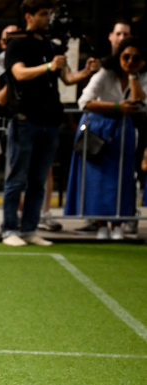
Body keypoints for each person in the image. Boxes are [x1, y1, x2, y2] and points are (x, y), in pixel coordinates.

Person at [2, 0, 99, 247]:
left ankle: (29, 229)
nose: (47, 18)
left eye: (49, 14)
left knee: (38, 180)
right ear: (29, 16)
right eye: (43, 14)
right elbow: (19, 73)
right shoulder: (17, 44)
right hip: (24, 120)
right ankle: (9, 229)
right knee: (17, 178)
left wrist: (86, 73)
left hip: (49, 122)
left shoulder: (50, 44)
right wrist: (47, 66)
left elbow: (66, 78)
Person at [65, 39, 144, 240]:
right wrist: (117, 107)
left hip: (123, 130)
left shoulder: (142, 77)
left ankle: (118, 223)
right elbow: (85, 101)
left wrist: (133, 76)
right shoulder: (105, 73)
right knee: (97, 179)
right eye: (126, 57)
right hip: (98, 128)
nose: (130, 61)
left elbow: (140, 102)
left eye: (136, 58)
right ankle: (100, 224)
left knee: (123, 178)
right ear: (118, 57)